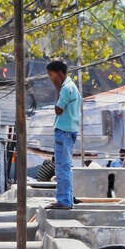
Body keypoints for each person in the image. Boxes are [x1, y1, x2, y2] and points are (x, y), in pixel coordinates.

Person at [46, 58, 80, 209]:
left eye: (51, 75)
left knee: (61, 168)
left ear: (59, 74)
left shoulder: (66, 88)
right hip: (69, 131)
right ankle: (67, 200)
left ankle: (64, 201)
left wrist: (57, 88)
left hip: (64, 131)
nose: (50, 78)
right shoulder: (72, 86)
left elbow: (58, 110)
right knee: (65, 167)